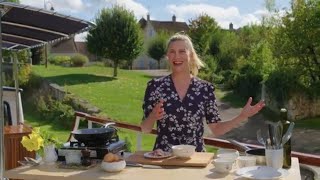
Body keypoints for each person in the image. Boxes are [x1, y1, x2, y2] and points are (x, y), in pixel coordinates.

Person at [140, 33, 265, 152]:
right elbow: (145, 129)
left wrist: (242, 116)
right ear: (168, 56)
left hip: (195, 159)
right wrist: (152, 116)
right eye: (172, 52)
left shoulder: (205, 89)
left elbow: (216, 129)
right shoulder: (155, 87)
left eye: (182, 51)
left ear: (191, 55)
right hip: (163, 157)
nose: (177, 56)